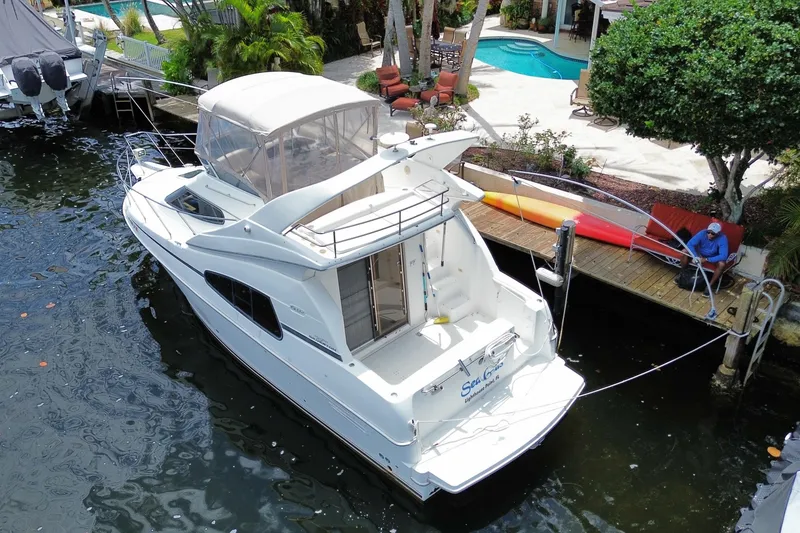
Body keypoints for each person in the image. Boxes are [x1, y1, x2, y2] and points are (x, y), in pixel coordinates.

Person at [676, 222, 729, 296]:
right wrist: (695, 256)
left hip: (712, 257)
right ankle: (682, 274)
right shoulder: (702, 233)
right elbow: (690, 244)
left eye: (713, 233)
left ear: (718, 233)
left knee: (722, 264)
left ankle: (709, 286)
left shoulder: (722, 238)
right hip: (699, 253)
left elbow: (723, 256)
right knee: (684, 252)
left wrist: (707, 259)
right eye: (708, 232)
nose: (710, 234)